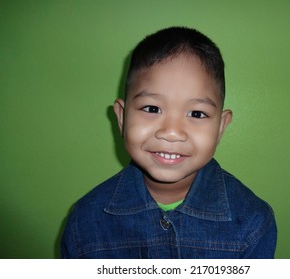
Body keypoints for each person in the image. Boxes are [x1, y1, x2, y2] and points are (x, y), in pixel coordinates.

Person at [61, 26, 277, 258]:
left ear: (221, 127)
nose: (172, 132)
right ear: (122, 118)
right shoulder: (83, 223)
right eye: (152, 109)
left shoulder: (253, 224)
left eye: (196, 113)